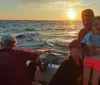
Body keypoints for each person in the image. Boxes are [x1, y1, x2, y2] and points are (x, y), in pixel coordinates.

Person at [83, 16, 100, 85]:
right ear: (92, 27)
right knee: (85, 78)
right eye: (95, 24)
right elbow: (83, 44)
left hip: (98, 61)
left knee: (95, 80)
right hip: (88, 59)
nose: (98, 26)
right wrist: (87, 48)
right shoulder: (88, 35)